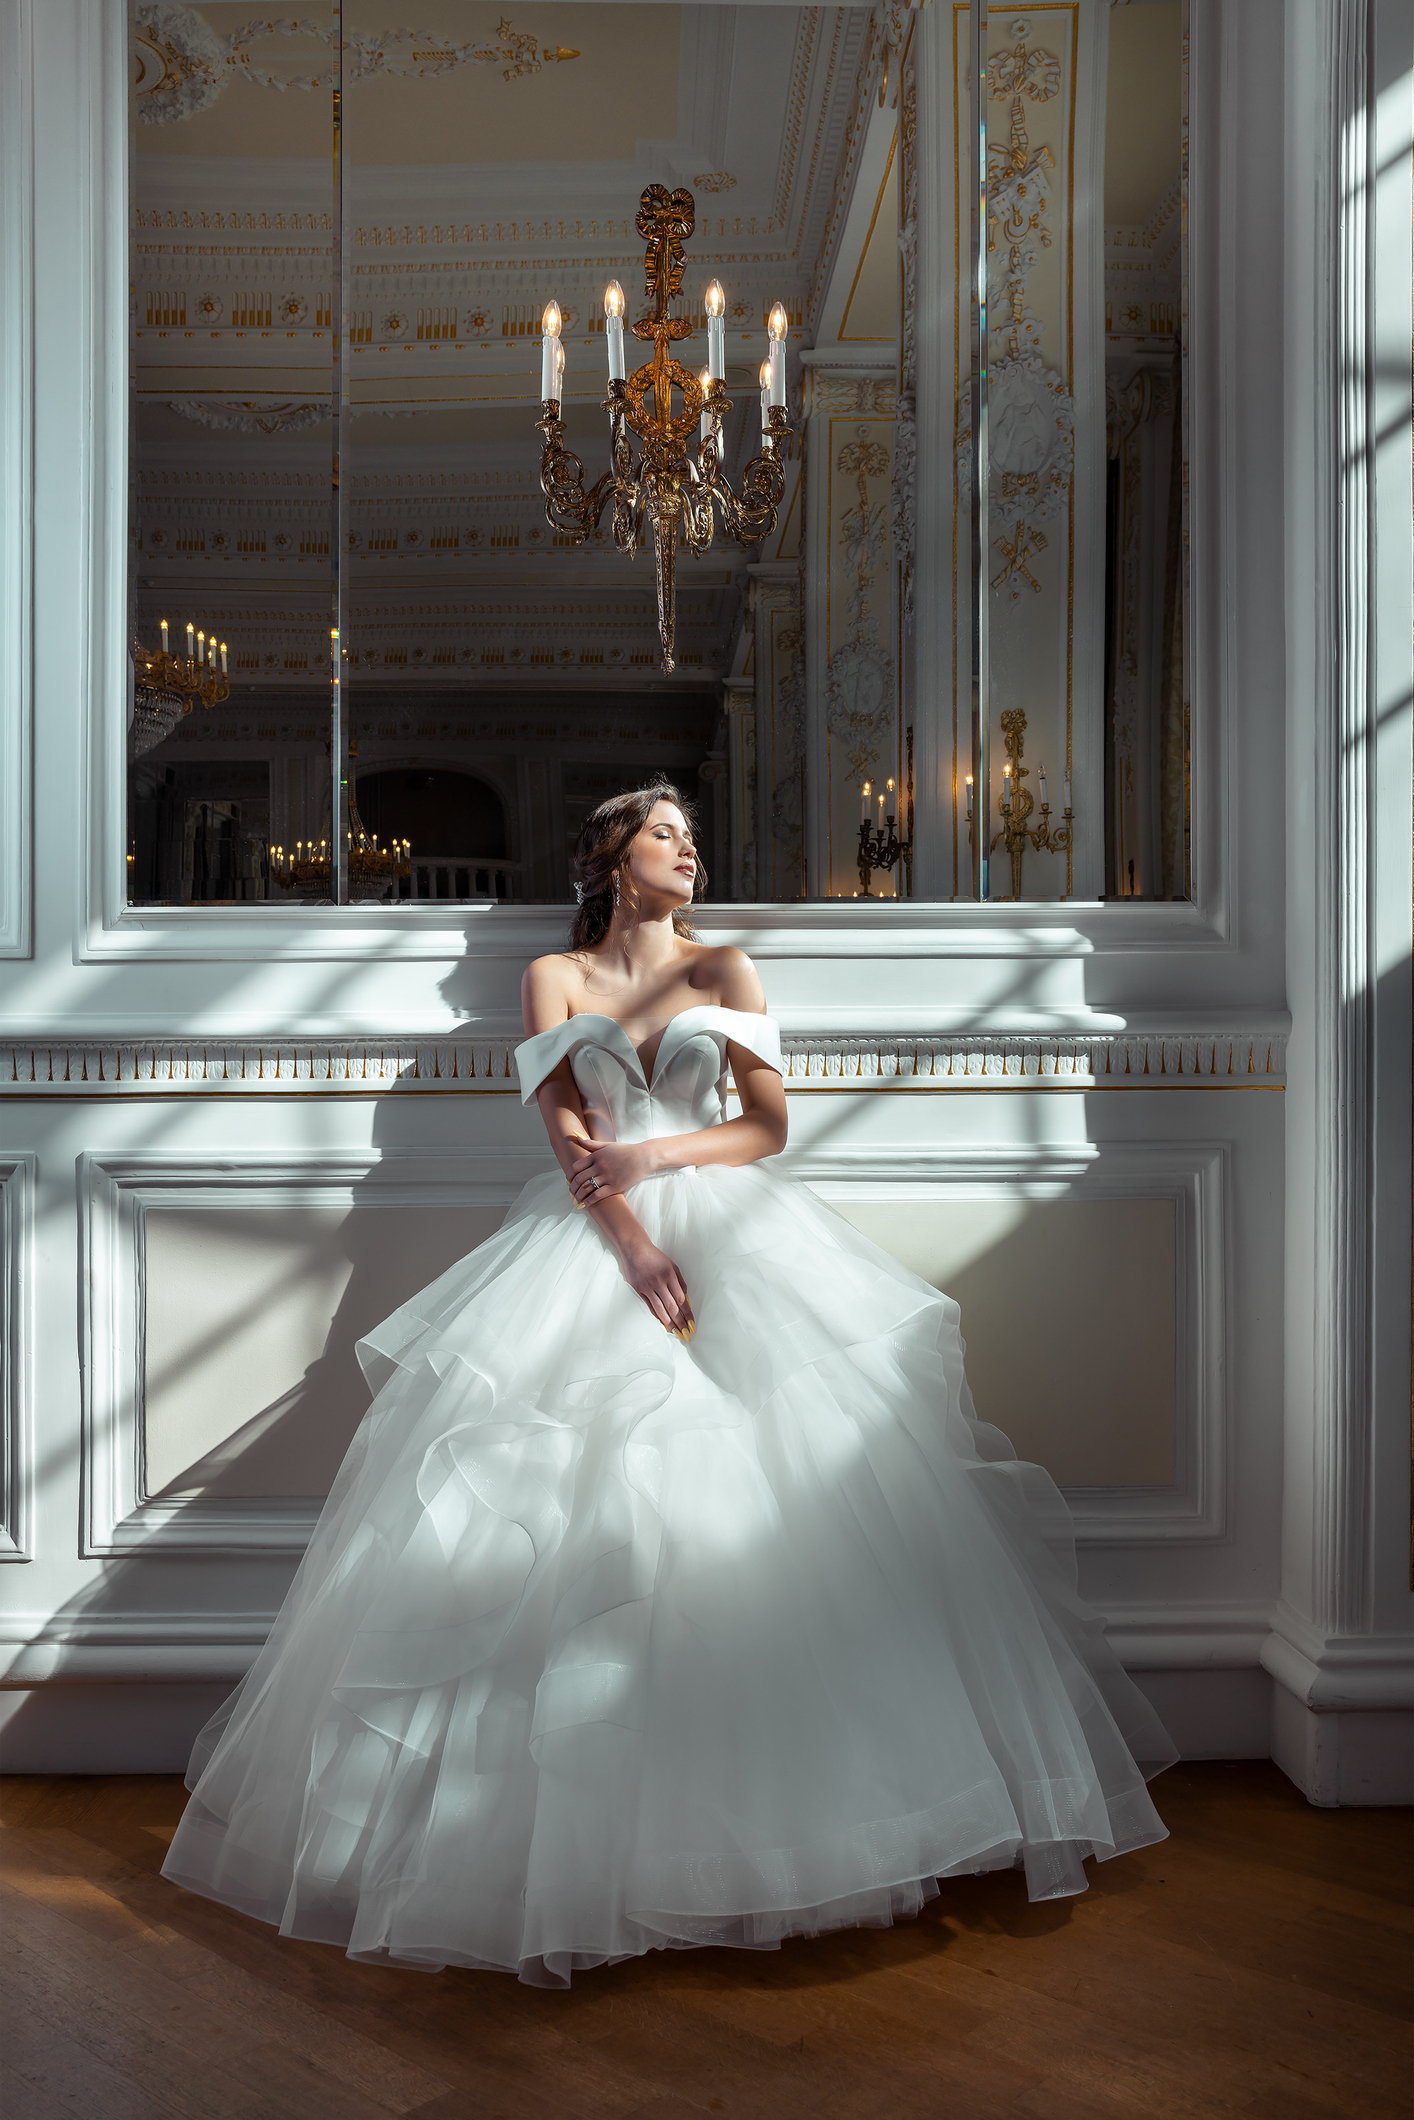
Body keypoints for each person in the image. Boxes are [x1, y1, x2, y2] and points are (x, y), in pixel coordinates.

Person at [162, 781, 1176, 1987]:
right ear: (608, 855)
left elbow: (766, 1127)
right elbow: (565, 1134)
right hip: (596, 1242)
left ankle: (791, 1824)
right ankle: (541, 1855)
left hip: (740, 1237)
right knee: (563, 1514)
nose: (688, 850)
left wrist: (658, 1153)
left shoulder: (727, 966)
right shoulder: (555, 978)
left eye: (693, 834)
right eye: (664, 834)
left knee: (771, 1514)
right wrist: (637, 1239)